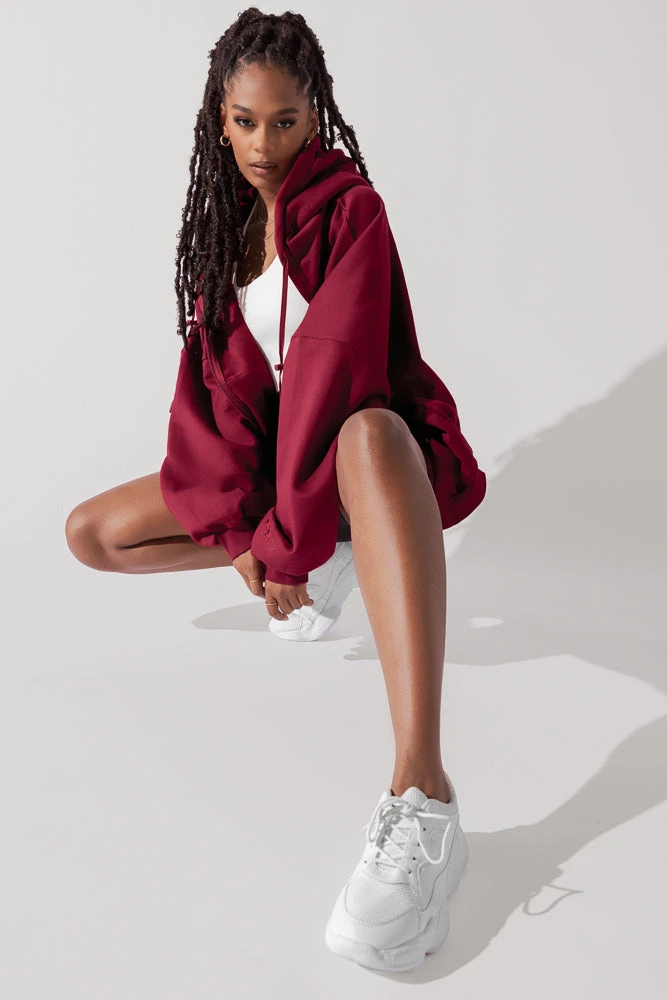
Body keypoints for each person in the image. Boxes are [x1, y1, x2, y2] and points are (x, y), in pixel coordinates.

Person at [64, 7, 487, 974]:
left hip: (355, 460)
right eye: (246, 121)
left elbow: (337, 373)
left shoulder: (350, 210)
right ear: (219, 118)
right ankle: (324, 555)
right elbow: (217, 398)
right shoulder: (224, 228)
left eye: (286, 121)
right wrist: (242, 534)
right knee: (93, 534)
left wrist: (285, 540)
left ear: (314, 116)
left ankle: (422, 795)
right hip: (280, 483)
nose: (264, 144)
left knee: (370, 433)